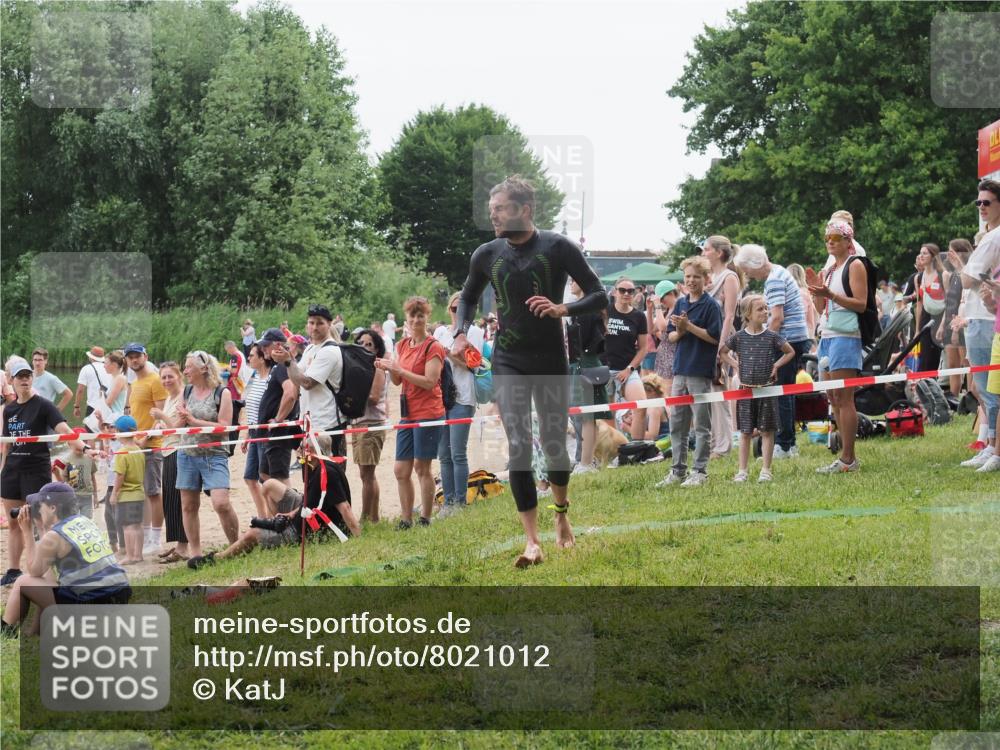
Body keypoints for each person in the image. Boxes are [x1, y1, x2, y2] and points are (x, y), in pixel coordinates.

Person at [451, 176, 606, 567]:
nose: (494, 216)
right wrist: (458, 333)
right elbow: (468, 297)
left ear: (525, 210)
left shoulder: (557, 246)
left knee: (554, 444)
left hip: (551, 357)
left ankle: (562, 515)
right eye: (491, 210)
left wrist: (562, 310)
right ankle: (531, 542)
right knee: (519, 444)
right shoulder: (487, 253)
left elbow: (598, 293)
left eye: (500, 209)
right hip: (509, 358)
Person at [187, 434, 360, 569]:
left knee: (252, 534)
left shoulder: (326, 473)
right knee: (269, 484)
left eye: (302, 448)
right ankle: (273, 525)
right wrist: (290, 514)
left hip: (308, 530)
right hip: (304, 515)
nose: (298, 452)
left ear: (312, 452)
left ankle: (217, 558)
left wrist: (358, 540)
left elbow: (344, 507)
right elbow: (311, 502)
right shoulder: (319, 466)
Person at [0, 483, 130, 637]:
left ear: (53, 508)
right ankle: (34, 635)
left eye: (40, 505)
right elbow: (47, 578)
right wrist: (42, 528)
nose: (38, 510)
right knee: (50, 586)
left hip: (91, 603)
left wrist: (27, 532)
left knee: (22, 581)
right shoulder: (85, 521)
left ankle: (6, 633)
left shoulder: (55, 536)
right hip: (118, 596)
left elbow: (34, 571)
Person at [1, 358, 88, 586]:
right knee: (14, 523)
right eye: (20, 376)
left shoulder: (44, 405)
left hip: (35, 470)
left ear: (32, 378)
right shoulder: (8, 409)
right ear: (11, 381)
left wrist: (84, 447)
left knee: (41, 523)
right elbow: (7, 446)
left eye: (28, 375)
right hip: (12, 471)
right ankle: (12, 570)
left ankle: (47, 571)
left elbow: (65, 431)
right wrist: (2, 471)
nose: (24, 380)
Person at [734, 244, 811, 459]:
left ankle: (784, 445)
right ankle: (789, 443)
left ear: (756, 264)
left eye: (746, 269)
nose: (747, 274)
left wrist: (762, 344)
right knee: (784, 392)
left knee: (780, 394)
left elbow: (776, 319)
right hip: (794, 338)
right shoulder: (779, 273)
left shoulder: (774, 279)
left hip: (787, 340)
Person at [376, 296, 446, 529]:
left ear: (427, 318)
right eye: (412, 315)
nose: (416, 319)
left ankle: (425, 518)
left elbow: (429, 381)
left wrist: (400, 370)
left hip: (429, 412)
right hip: (408, 413)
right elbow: (397, 381)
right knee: (400, 469)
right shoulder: (402, 345)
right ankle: (406, 519)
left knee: (422, 468)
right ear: (406, 319)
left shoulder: (433, 346)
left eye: (421, 315)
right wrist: (388, 369)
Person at [806, 219, 869, 474]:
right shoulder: (832, 269)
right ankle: (846, 458)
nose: (830, 242)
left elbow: (861, 304)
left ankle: (848, 458)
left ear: (847, 241)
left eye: (835, 237)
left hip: (846, 336)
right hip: (828, 336)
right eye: (827, 238)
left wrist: (829, 294)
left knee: (844, 398)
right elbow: (822, 309)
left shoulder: (855, 265)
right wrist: (816, 292)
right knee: (833, 397)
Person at [656, 256, 722, 488]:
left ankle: (700, 471)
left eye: (696, 276)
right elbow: (672, 336)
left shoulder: (712, 306)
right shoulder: (681, 303)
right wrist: (682, 331)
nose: (691, 281)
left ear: (705, 279)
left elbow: (715, 338)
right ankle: (678, 470)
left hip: (700, 371)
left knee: (702, 424)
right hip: (680, 370)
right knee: (677, 423)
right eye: (688, 277)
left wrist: (689, 327)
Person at [720, 295, 795, 483]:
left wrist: (776, 365)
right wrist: (735, 365)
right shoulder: (739, 337)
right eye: (760, 309)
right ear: (747, 314)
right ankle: (742, 471)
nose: (766, 312)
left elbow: (790, 351)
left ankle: (766, 470)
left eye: (766, 308)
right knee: (745, 432)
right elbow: (722, 352)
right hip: (746, 391)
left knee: (767, 431)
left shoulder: (771, 336)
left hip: (767, 391)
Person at [175, 351, 239, 565]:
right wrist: (168, 420)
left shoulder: (222, 393)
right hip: (187, 454)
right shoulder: (186, 391)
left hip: (214, 455)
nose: (185, 371)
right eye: (185, 367)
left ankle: (235, 546)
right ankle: (195, 553)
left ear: (203, 369)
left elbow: (224, 428)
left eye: (188, 367)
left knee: (221, 503)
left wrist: (193, 421)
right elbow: (178, 426)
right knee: (188, 505)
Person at [961, 178, 1000, 473]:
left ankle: (993, 448)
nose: (982, 207)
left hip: (986, 319)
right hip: (979, 315)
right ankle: (989, 446)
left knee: (989, 390)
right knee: (984, 389)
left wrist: (968, 274)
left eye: (987, 202)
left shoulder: (994, 237)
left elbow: (968, 279)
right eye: (979, 202)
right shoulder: (988, 235)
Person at [271, 305, 346, 456]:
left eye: (320, 323)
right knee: (311, 476)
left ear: (329, 325)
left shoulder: (329, 351)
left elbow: (307, 383)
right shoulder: (311, 348)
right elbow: (297, 378)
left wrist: (287, 362)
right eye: (311, 323)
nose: (315, 327)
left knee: (329, 475)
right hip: (310, 423)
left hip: (327, 424)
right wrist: (288, 360)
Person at [435, 292, 478, 519]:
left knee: (457, 452)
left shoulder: (475, 332)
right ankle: (448, 501)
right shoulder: (440, 332)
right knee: (443, 453)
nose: (457, 313)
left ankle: (460, 503)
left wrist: (449, 355)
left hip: (463, 396)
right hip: (441, 398)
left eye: (461, 308)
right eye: (454, 308)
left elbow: (474, 364)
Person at [123, 342, 167, 555]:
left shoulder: (156, 380)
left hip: (152, 446)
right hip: (136, 446)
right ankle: (149, 535)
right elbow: (135, 416)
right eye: (130, 357)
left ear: (145, 357)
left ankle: (156, 538)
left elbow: (160, 418)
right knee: (144, 493)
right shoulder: (134, 382)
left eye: (137, 356)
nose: (134, 359)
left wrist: (144, 440)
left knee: (153, 492)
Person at [703, 236, 741, 458]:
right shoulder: (709, 278)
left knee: (719, 394)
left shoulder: (729, 277)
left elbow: (729, 316)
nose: (703, 253)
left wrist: (722, 347)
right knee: (707, 393)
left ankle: (723, 446)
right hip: (705, 341)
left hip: (722, 341)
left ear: (718, 253)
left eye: (707, 249)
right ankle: (712, 441)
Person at [567, 278, 609, 474]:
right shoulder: (587, 308)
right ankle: (585, 461)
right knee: (586, 418)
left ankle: (586, 462)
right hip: (586, 364)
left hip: (584, 365)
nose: (570, 284)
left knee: (585, 417)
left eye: (573, 280)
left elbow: (582, 342)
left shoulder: (584, 310)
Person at [148, 361, 188, 563]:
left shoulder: (183, 396)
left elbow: (178, 427)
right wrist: (158, 422)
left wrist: (161, 416)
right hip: (166, 450)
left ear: (179, 376)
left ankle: (183, 546)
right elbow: (166, 425)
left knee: (178, 498)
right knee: (170, 499)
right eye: (163, 377)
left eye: (169, 376)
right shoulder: (170, 398)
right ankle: (179, 543)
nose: (166, 380)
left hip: (179, 450)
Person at [254, 329, 301, 487]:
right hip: (273, 431)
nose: (263, 349)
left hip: (280, 432)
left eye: (266, 345)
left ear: (278, 345)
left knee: (279, 479)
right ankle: (277, 512)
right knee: (265, 476)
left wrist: (278, 420)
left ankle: (291, 510)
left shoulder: (282, 366)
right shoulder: (279, 366)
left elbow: (290, 394)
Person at [606, 276, 649, 441]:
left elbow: (644, 347)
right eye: (622, 290)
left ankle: (637, 448)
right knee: (608, 411)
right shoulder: (605, 311)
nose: (626, 293)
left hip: (628, 369)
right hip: (605, 369)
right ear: (615, 292)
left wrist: (629, 369)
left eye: (630, 291)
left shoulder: (638, 317)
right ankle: (613, 450)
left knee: (641, 406)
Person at [352, 329, 389, 522]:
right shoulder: (359, 368)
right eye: (361, 343)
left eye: (369, 344)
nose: (364, 347)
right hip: (359, 424)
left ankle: (366, 518)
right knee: (365, 474)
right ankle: (373, 517)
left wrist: (351, 395)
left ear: (376, 349)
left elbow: (374, 398)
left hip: (371, 423)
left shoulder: (377, 369)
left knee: (367, 474)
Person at [239, 343, 272, 517]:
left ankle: (271, 516)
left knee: (265, 477)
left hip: (265, 433)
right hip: (254, 432)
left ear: (262, 358)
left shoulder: (270, 378)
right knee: (249, 478)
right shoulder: (255, 377)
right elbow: (251, 408)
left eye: (252, 355)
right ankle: (263, 516)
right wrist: (247, 435)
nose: (249, 358)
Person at [110, 415, 146, 564]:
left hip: (127, 495)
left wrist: (114, 493)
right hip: (139, 493)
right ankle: (138, 554)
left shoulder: (122, 453)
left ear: (120, 432)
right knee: (137, 525)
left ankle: (130, 556)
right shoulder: (139, 450)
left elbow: (120, 476)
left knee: (127, 526)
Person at [940, 240, 972, 396]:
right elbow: (949, 302)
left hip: (961, 323)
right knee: (952, 365)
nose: (948, 255)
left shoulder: (965, 275)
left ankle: (971, 396)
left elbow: (963, 303)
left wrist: (955, 330)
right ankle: (954, 397)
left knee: (966, 363)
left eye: (951, 251)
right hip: (950, 321)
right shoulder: (953, 275)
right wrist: (942, 326)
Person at [51, 427, 97, 520]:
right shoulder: (66, 461)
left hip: (87, 496)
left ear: (86, 444)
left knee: (87, 522)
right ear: (69, 443)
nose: (79, 446)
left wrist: (95, 496)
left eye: (83, 441)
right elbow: (62, 483)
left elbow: (93, 478)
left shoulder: (89, 458)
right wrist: (56, 474)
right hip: (72, 497)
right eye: (77, 443)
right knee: (73, 521)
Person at [915, 243, 948, 373]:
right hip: (925, 317)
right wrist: (917, 330)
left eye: (925, 253)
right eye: (920, 253)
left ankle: (931, 385)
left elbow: (950, 303)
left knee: (934, 355)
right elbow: (919, 304)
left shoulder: (943, 275)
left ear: (933, 256)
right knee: (924, 354)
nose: (921, 256)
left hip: (940, 318)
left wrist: (943, 325)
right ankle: (921, 385)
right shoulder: (918, 277)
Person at [648, 280, 679, 392]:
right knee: (663, 392)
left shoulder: (678, 308)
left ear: (671, 293)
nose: (661, 302)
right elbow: (651, 329)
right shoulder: (667, 311)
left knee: (669, 392)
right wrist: (650, 309)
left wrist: (657, 307)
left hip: (673, 356)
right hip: (663, 356)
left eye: (662, 299)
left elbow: (662, 327)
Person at [30, 349, 72, 414]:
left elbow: (69, 394)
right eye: (35, 360)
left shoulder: (51, 378)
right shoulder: (27, 376)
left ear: (45, 361)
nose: (37, 363)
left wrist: (55, 412)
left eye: (40, 360)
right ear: (32, 361)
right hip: (29, 414)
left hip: (44, 415)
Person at [73, 346, 108, 424]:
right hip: (108, 407)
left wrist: (77, 406)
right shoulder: (108, 367)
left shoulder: (86, 369)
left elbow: (80, 390)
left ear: (91, 357)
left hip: (92, 407)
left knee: (90, 432)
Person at [787, 264, 818, 349]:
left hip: (801, 339)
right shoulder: (806, 293)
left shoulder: (799, 294)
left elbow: (800, 316)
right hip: (808, 336)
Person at [94, 350, 127, 428]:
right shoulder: (113, 378)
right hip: (109, 418)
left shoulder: (120, 378)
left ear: (114, 365)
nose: (104, 366)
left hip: (115, 419)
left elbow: (109, 402)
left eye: (105, 363)